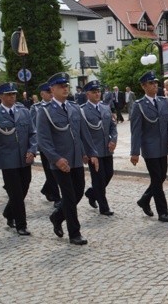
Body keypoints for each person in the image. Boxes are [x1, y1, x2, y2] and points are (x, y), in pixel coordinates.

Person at [37, 73, 97, 246]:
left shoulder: (74, 108)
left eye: (66, 86)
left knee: (78, 192)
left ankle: (57, 216)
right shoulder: (45, 112)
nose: (65, 88)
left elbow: (84, 133)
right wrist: (56, 159)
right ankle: (74, 233)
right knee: (69, 196)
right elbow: (43, 140)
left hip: (76, 160)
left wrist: (91, 153)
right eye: (61, 86)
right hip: (60, 163)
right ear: (52, 89)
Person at [0, 83, 36, 236]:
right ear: (0, 96)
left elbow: (33, 134)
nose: (12, 97)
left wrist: (32, 150)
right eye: (8, 94)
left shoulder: (24, 112)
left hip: (24, 158)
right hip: (8, 160)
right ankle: (21, 224)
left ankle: (8, 211)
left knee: (24, 187)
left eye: (14, 94)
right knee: (16, 192)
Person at [131, 72, 168, 222]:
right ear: (143, 86)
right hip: (149, 148)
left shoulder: (163, 101)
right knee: (157, 179)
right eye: (151, 83)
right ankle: (162, 212)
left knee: (161, 176)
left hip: (163, 146)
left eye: (156, 83)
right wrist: (135, 152)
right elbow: (136, 130)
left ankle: (144, 200)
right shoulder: (139, 106)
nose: (155, 85)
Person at [81, 80, 118, 216]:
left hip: (106, 149)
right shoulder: (83, 110)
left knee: (109, 173)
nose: (97, 94)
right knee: (98, 178)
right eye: (94, 92)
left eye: (98, 92)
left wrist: (113, 140)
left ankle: (92, 193)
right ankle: (104, 207)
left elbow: (113, 127)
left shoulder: (105, 107)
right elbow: (82, 134)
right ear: (87, 94)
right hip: (93, 151)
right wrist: (85, 152)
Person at [31, 83, 61, 206]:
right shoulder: (36, 108)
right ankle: (56, 197)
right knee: (50, 171)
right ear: (42, 94)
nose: (51, 94)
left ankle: (46, 189)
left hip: (58, 143)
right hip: (45, 145)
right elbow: (33, 127)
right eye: (48, 92)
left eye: (51, 92)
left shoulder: (57, 106)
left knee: (57, 170)